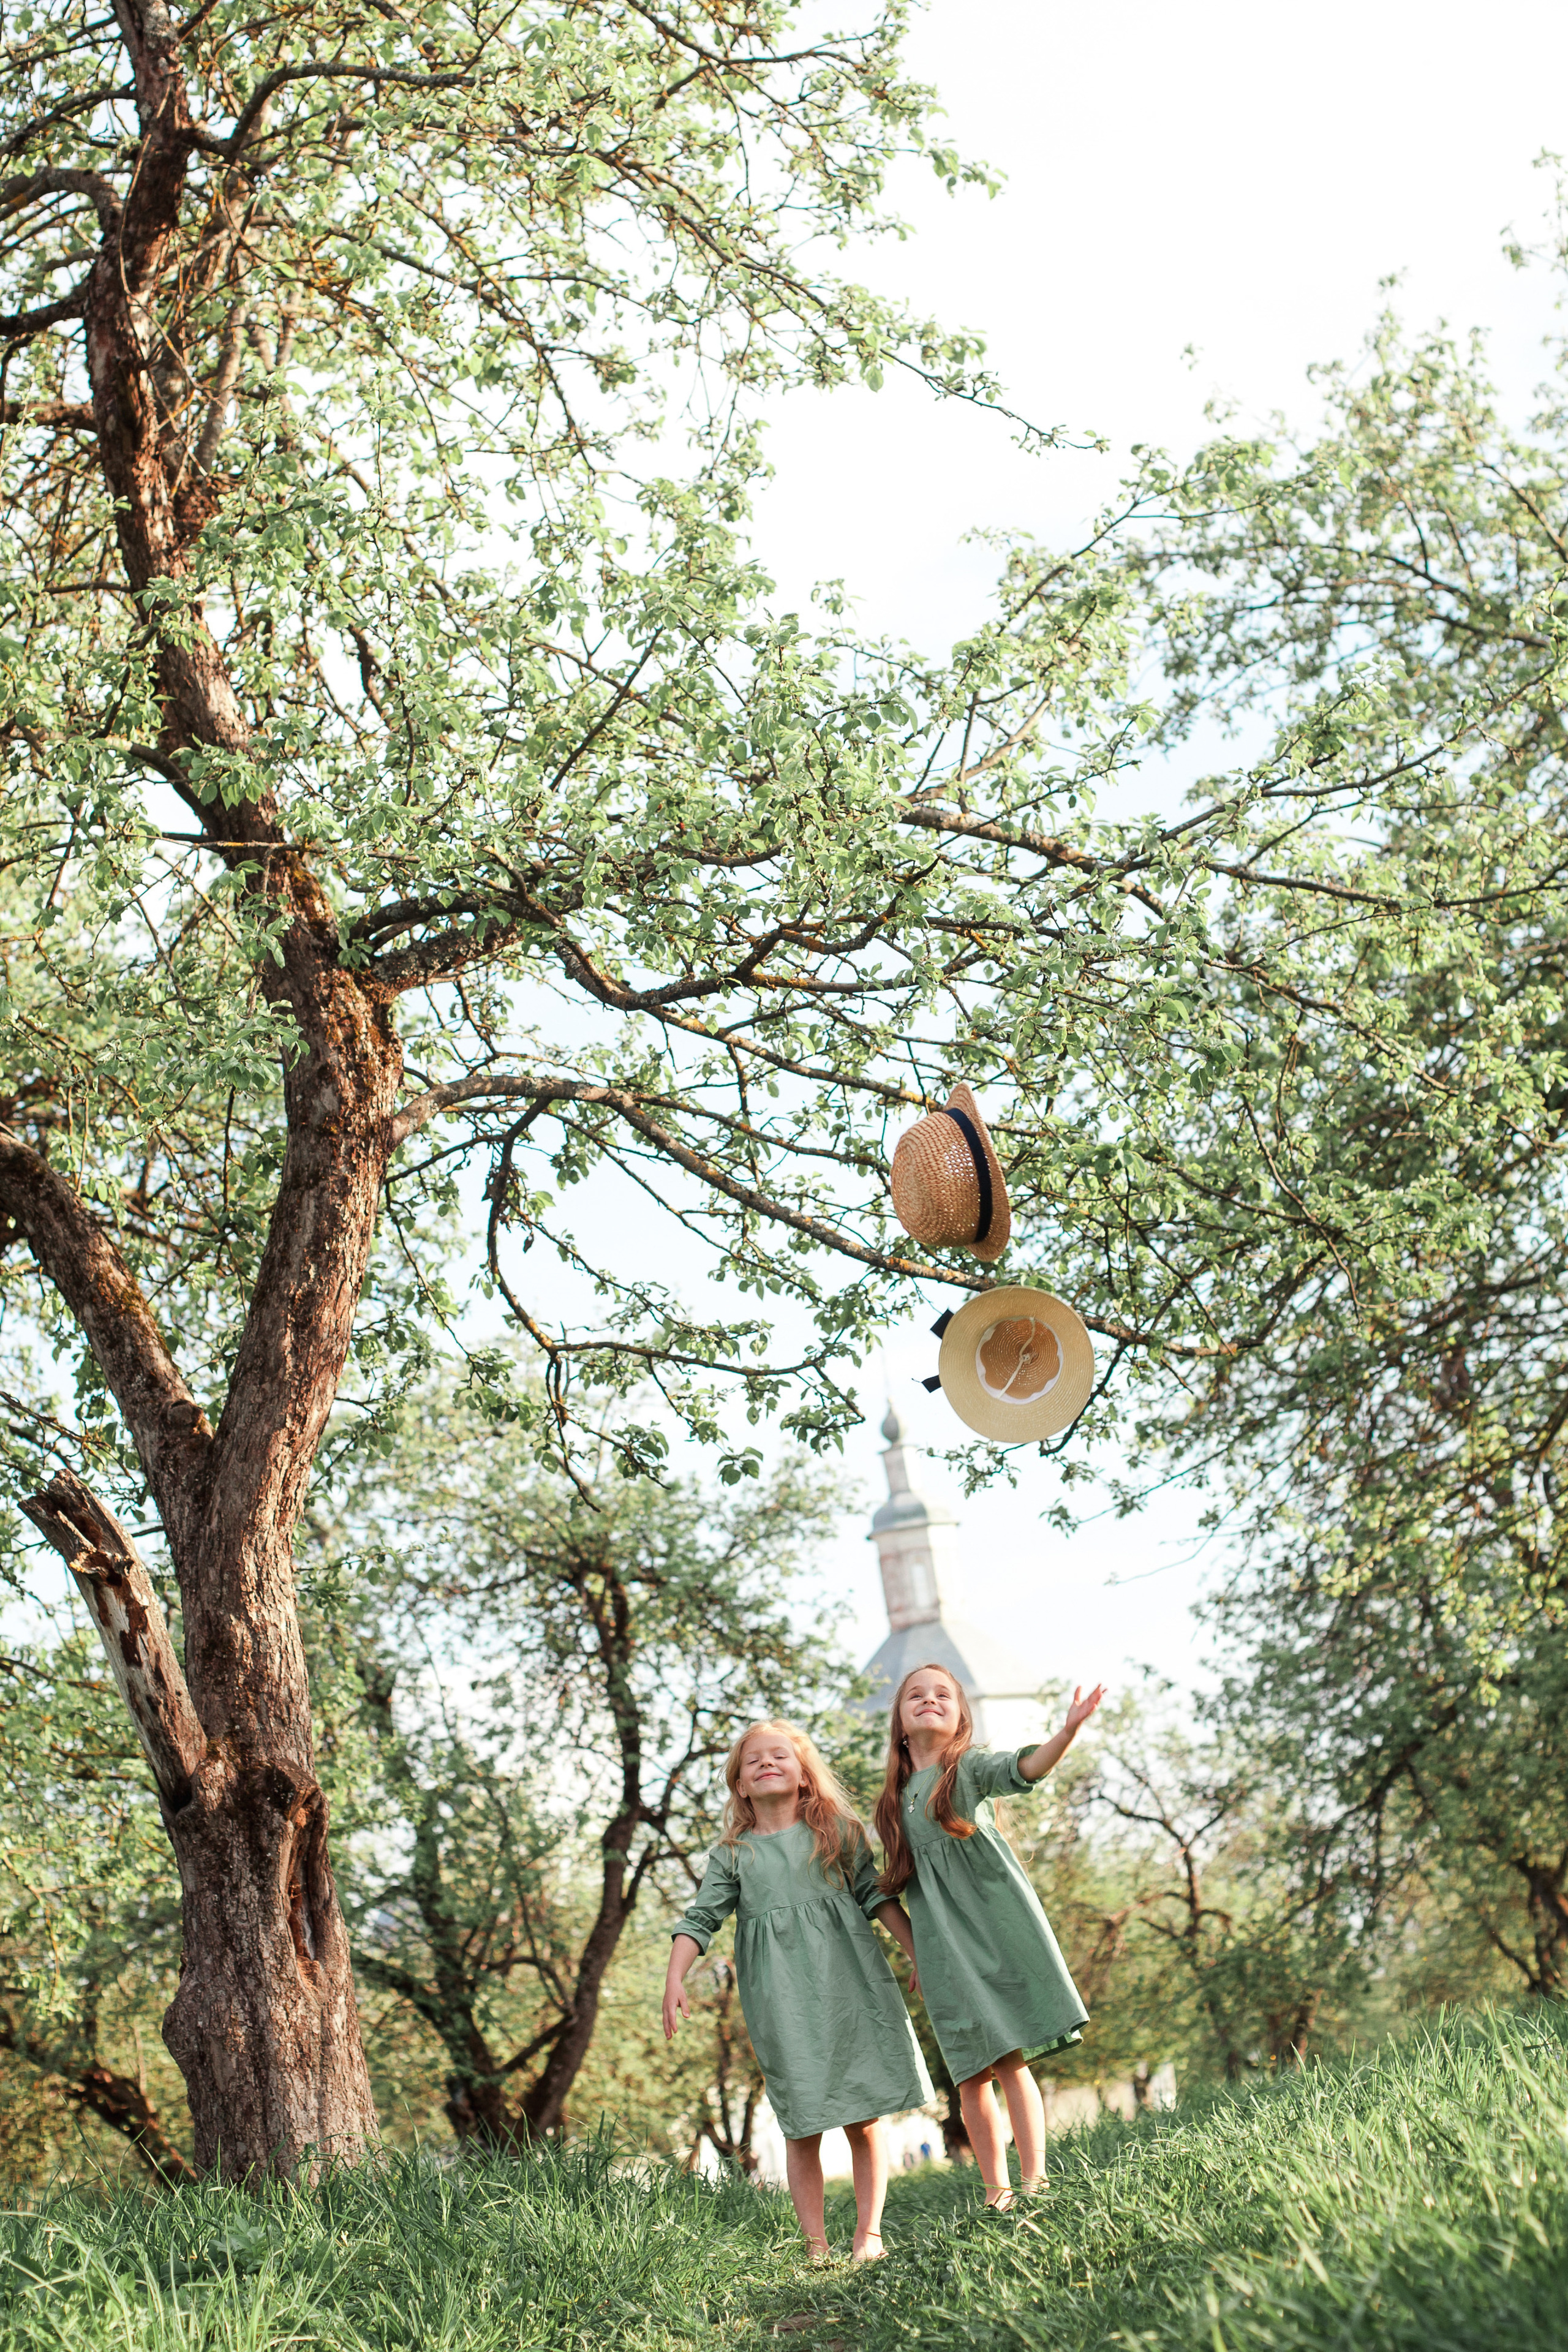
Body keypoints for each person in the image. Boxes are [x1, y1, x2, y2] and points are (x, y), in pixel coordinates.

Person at [664, 1720, 932, 2264]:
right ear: (740, 1785)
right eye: (752, 1761)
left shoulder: (839, 1833)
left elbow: (874, 1897)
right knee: (801, 2119)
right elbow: (700, 1920)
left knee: (864, 2113)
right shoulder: (733, 1855)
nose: (766, 1763)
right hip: (782, 1999)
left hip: (851, 1985)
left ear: (805, 1775)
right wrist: (675, 1977)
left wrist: (917, 1952)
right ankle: (815, 2245)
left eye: (780, 1756)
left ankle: (869, 2236)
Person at [873, 1662, 1105, 2211]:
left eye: (942, 1695)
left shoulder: (969, 1769)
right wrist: (920, 1955)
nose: (929, 1700)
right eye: (916, 1696)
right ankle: (995, 2192)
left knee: (1009, 2058)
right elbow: (908, 1887)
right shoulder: (894, 1801)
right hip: (945, 1948)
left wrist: (1066, 1733)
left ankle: (1035, 2179)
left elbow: (1026, 1767)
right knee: (969, 2070)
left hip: (996, 1928)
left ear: (959, 1719)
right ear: (901, 1725)